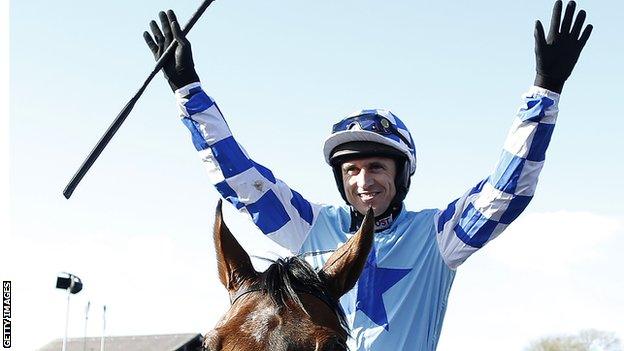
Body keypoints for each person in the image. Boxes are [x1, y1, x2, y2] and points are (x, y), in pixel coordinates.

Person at [144, 1, 592, 350]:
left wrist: (545, 90)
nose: (364, 182)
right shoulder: (310, 227)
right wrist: (188, 89)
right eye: (352, 170)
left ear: (402, 176)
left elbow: (506, 190)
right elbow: (241, 179)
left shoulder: (438, 236)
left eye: (377, 167)